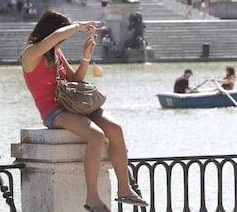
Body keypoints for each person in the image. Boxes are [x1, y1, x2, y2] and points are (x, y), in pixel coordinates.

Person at [20, 9, 148, 212]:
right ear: (51, 31)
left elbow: (75, 80)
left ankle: (125, 190)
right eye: (61, 36)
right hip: (53, 112)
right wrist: (77, 27)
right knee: (96, 136)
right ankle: (92, 198)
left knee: (115, 129)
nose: (61, 43)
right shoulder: (30, 54)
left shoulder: (56, 52)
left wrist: (86, 57)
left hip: (75, 105)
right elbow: (56, 37)